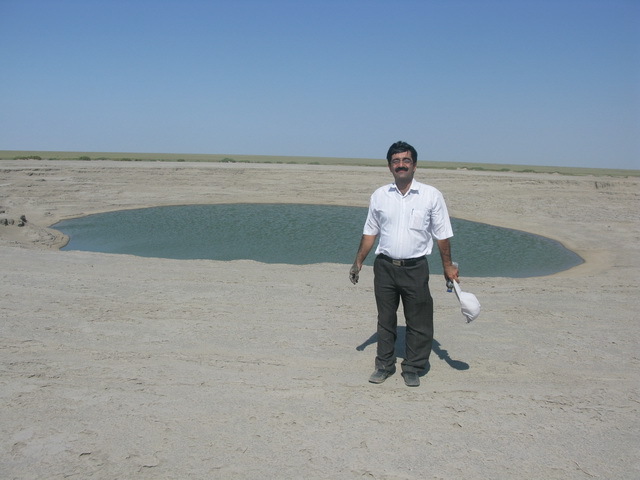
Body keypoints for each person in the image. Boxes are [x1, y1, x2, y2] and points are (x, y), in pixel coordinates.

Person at [349, 141, 459, 387]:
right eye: (396, 161)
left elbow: (442, 234)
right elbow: (370, 233)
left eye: (406, 161)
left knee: (419, 321)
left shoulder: (431, 195)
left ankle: (412, 367)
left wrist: (448, 267)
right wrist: (357, 263)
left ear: (415, 165)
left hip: (415, 268)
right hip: (385, 267)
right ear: (390, 167)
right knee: (385, 319)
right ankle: (384, 366)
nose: (401, 165)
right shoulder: (379, 195)